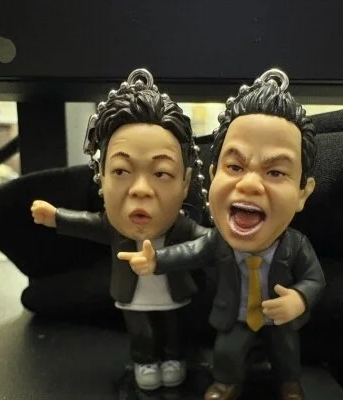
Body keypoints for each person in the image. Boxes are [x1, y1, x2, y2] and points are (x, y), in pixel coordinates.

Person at [119, 68, 326, 400]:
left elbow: (315, 279)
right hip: (236, 318)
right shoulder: (217, 242)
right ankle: (227, 384)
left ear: (304, 192)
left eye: (275, 172)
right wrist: (155, 260)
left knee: (288, 355)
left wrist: (298, 299)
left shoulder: (296, 245)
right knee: (227, 354)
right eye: (235, 167)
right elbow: (189, 252)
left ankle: (290, 385)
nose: (249, 184)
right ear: (213, 175)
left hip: (280, 321)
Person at [30, 68, 210, 391]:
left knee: (172, 329)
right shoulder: (113, 228)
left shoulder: (181, 227)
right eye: (122, 171)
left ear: (185, 183)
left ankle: (172, 357)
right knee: (141, 332)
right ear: (100, 175)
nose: (140, 190)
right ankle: (144, 360)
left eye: (161, 173)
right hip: (131, 296)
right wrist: (56, 216)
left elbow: (209, 243)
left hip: (174, 295)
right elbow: (86, 223)